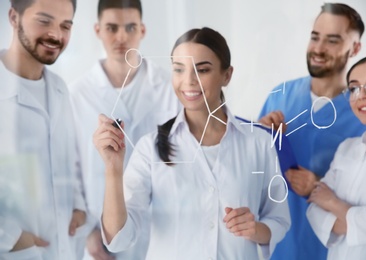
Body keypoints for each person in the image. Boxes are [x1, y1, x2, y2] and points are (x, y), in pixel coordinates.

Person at [93, 27, 290, 260]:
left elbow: (279, 219)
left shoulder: (259, 143)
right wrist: (113, 169)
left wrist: (255, 229)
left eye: (202, 69)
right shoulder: (149, 148)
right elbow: (118, 239)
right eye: (179, 69)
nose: (188, 81)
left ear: (227, 75)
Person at [68, 0, 181, 259]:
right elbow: (68, 168)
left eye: (130, 27)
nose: (121, 36)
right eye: (112, 28)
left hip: (162, 229)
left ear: (142, 30)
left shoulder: (168, 87)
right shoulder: (78, 95)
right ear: (97, 30)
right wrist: (88, 233)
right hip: (101, 235)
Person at [258, 3, 366, 260]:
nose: (318, 49)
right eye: (315, 37)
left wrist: (318, 186)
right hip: (277, 246)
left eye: (332, 40)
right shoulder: (280, 95)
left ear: (355, 48)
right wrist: (259, 139)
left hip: (332, 248)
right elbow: (251, 173)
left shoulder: (364, 112)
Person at [0, 0, 87, 259]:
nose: (56, 35)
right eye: (44, 20)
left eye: (65, 25)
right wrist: (12, 237)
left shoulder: (60, 89)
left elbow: (69, 160)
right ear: (14, 18)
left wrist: (79, 207)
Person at [306, 53, 366, 259]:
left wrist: (333, 203)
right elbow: (314, 208)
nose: (362, 95)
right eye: (354, 88)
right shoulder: (347, 148)